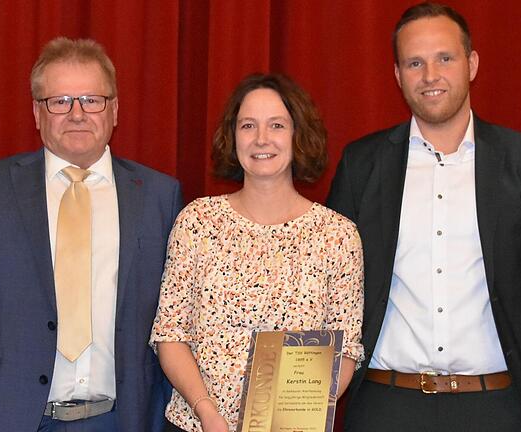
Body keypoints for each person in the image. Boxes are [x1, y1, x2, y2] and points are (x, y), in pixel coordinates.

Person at [327, 3, 521, 432]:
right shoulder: (362, 164)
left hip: (498, 406)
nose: (430, 75)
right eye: (415, 62)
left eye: (445, 58)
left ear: (472, 63)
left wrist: (518, 340)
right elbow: (333, 280)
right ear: (397, 75)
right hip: (385, 407)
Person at [0, 37, 183, 432]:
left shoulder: (160, 196)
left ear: (115, 110)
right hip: (8, 417)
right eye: (59, 101)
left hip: (122, 419)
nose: (77, 114)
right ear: (38, 114)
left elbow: (179, 322)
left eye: (92, 100)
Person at [150, 74, 365, 432]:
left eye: (277, 125)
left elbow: (344, 351)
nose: (262, 139)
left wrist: (294, 423)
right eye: (248, 125)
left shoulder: (337, 236)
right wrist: (207, 413)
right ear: (232, 137)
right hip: (199, 427)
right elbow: (170, 334)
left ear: (298, 135)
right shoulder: (198, 222)